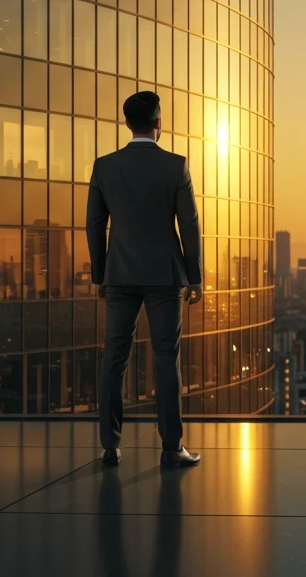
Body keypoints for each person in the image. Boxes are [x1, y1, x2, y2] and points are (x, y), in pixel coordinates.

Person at [87, 91, 203, 469]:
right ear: (159, 123)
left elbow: (94, 223)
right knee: (166, 359)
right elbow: (189, 223)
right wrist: (195, 275)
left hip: (118, 273)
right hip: (165, 276)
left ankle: (109, 446)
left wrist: (99, 273)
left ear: (126, 123)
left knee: (114, 358)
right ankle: (171, 448)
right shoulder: (175, 165)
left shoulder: (104, 166)